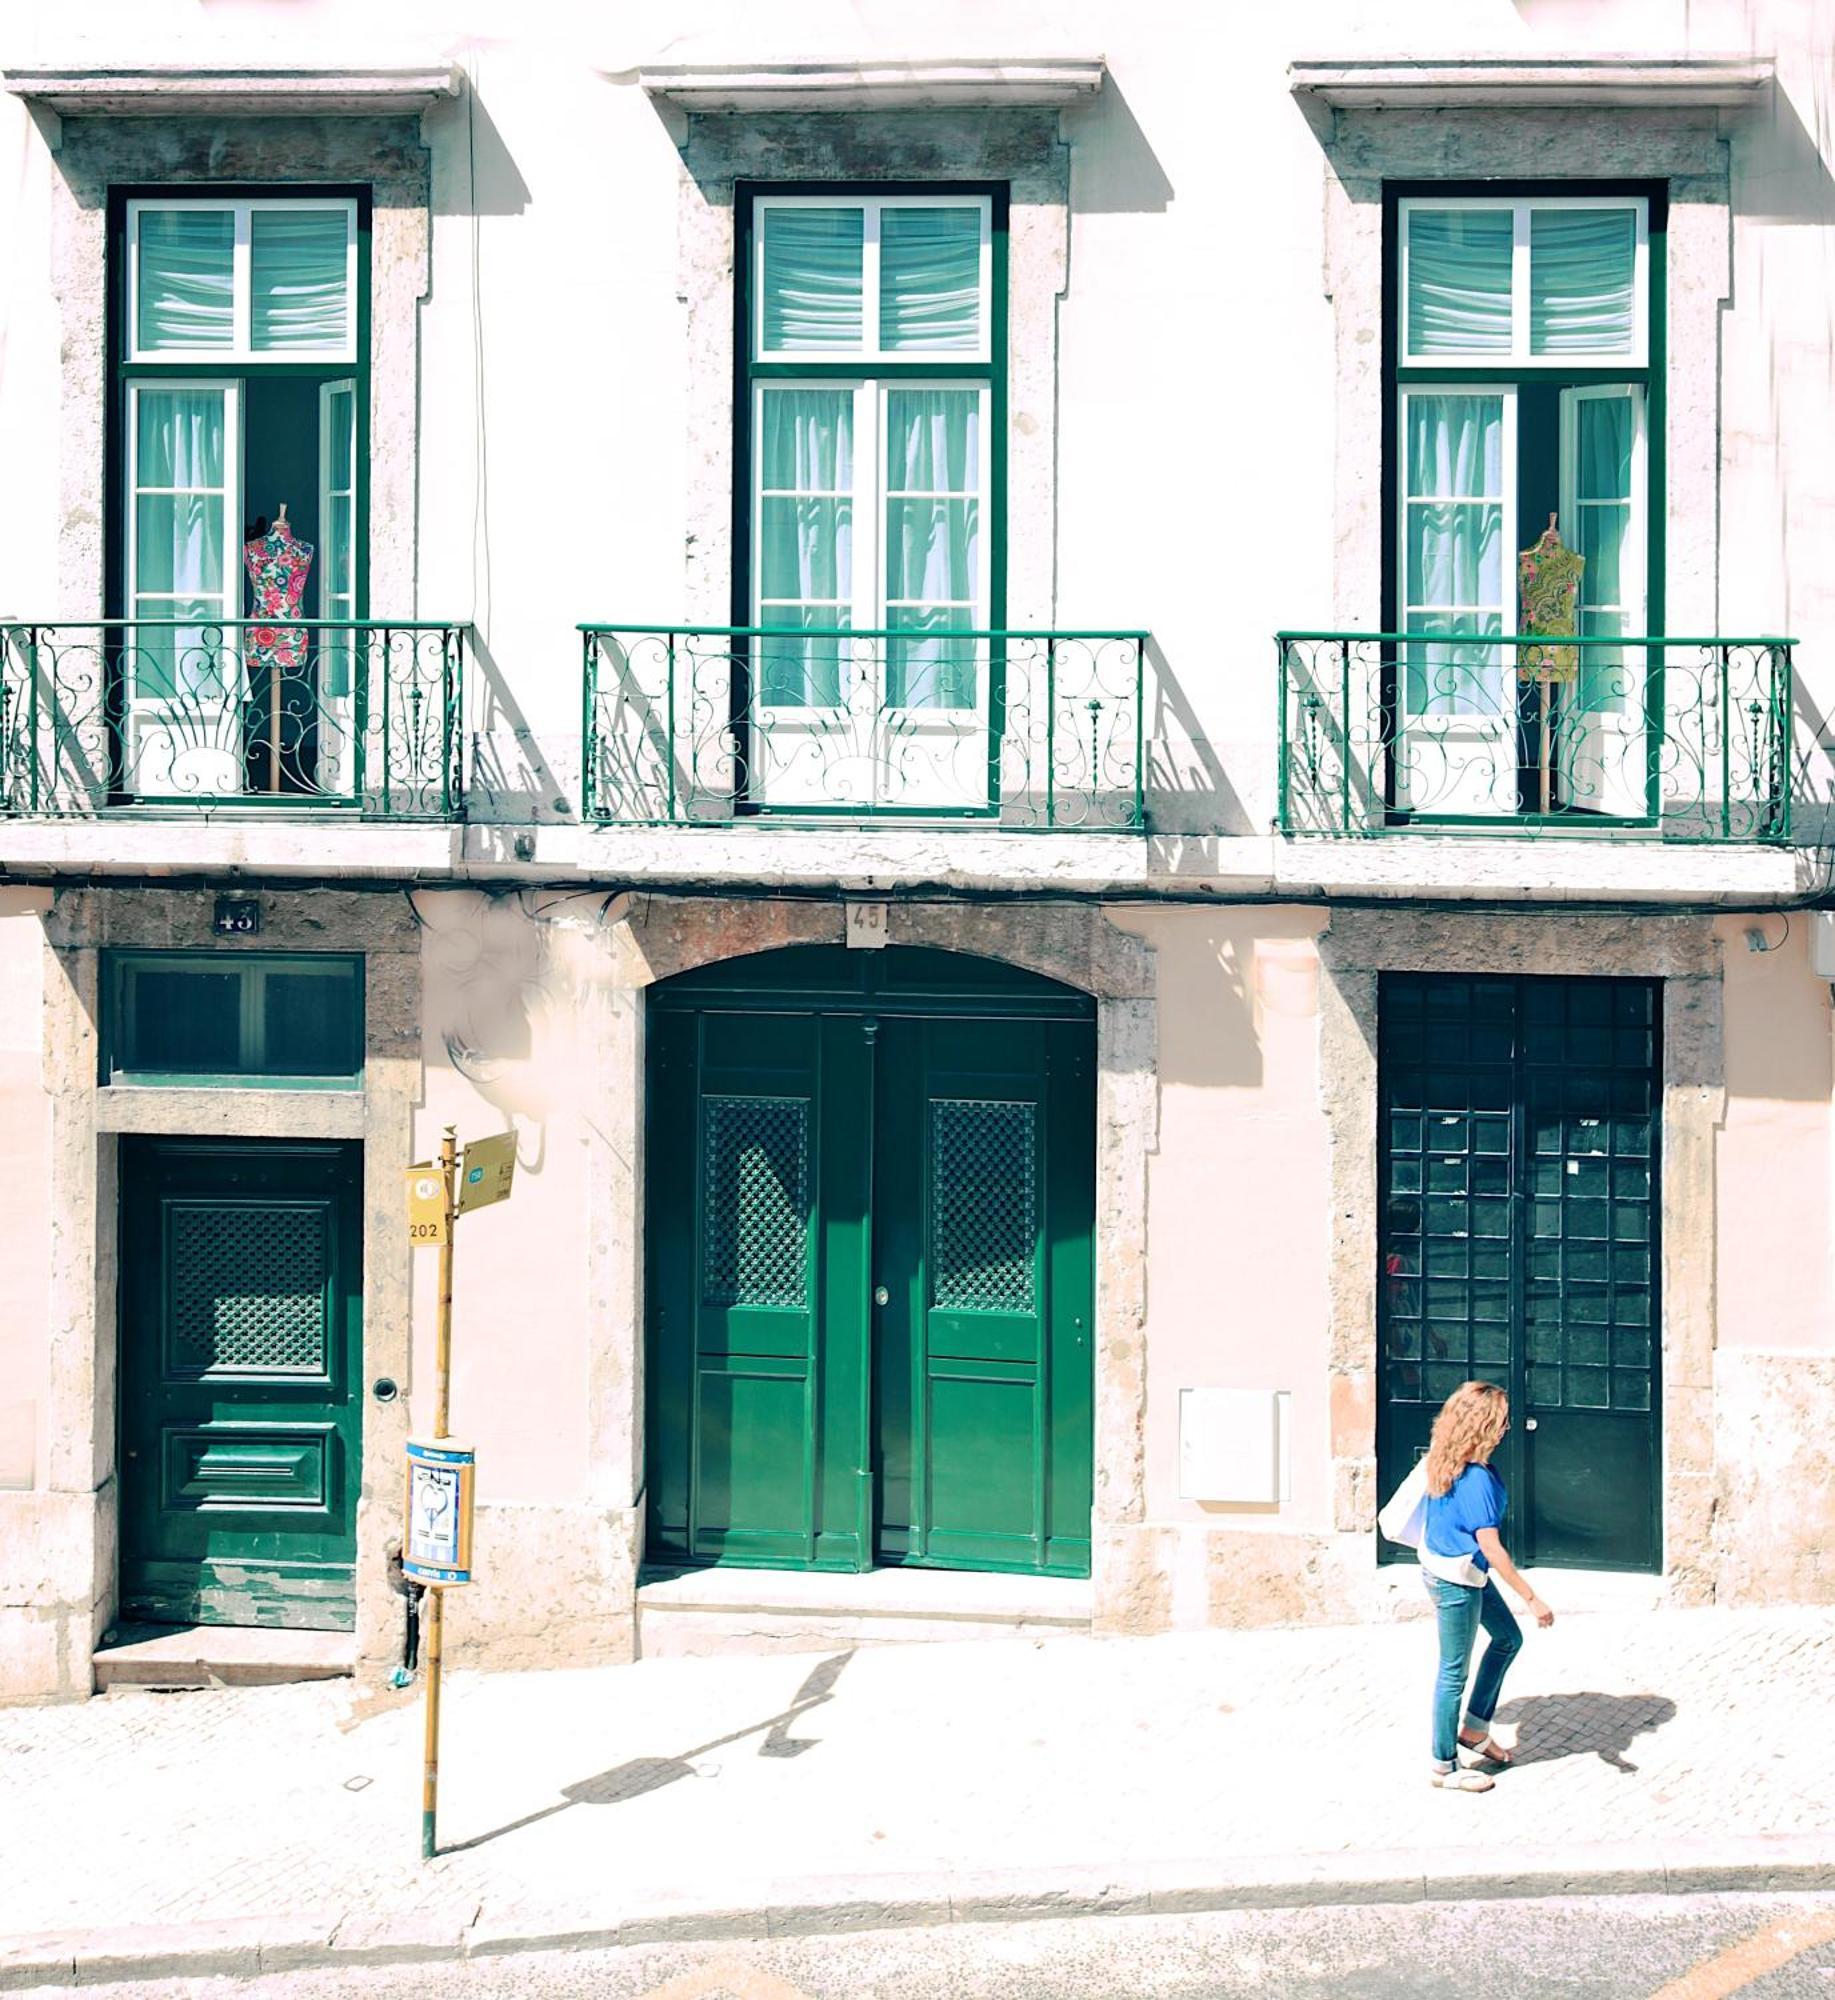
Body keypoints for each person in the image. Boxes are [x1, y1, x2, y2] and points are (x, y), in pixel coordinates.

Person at [1418, 1380, 1554, 1793]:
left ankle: (1475, 1729)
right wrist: (1532, 1599)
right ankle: (1444, 1766)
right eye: (1501, 1420)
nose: (1507, 1427)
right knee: (1452, 1672)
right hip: (1456, 1581)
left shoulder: (1444, 1458)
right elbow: (1492, 1549)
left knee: (1507, 1639)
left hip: (1453, 1570)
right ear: (1484, 1426)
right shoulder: (1475, 1479)